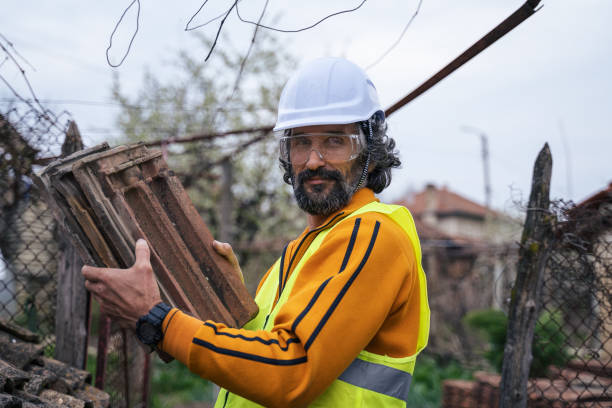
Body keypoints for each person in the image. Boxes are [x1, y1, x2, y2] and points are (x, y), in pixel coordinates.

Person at [82, 57, 430, 408]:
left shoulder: (372, 235)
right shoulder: (301, 252)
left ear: (369, 150)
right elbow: (266, 357)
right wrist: (238, 300)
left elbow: (289, 375)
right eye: (300, 143)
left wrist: (156, 319)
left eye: (335, 142)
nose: (313, 160)